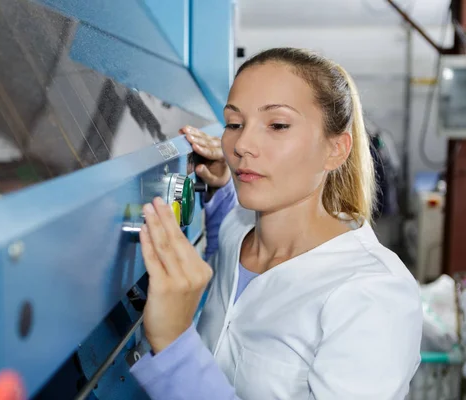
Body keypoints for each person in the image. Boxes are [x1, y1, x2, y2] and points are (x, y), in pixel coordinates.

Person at [129, 47, 423, 399]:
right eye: (234, 124)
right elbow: (228, 224)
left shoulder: (372, 295)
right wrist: (223, 184)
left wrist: (175, 346)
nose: (242, 145)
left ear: (336, 149)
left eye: (278, 125)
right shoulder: (239, 230)